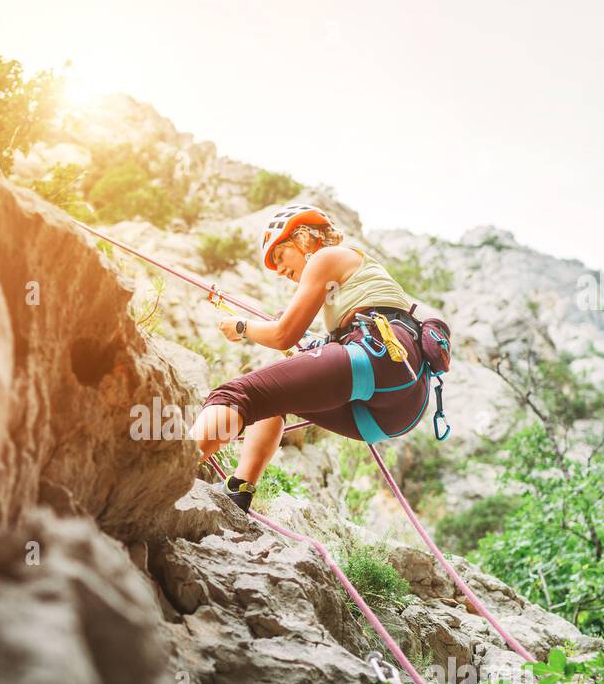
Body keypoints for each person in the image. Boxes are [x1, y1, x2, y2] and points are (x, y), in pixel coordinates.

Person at [189, 204, 450, 512]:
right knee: (273, 399)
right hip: (396, 410)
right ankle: (238, 491)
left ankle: (173, 465)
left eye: (280, 256)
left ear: (304, 239)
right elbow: (299, 341)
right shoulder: (353, 283)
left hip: (376, 357)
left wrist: (243, 327)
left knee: (234, 395)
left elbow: (283, 335)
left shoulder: (328, 257)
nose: (281, 271)